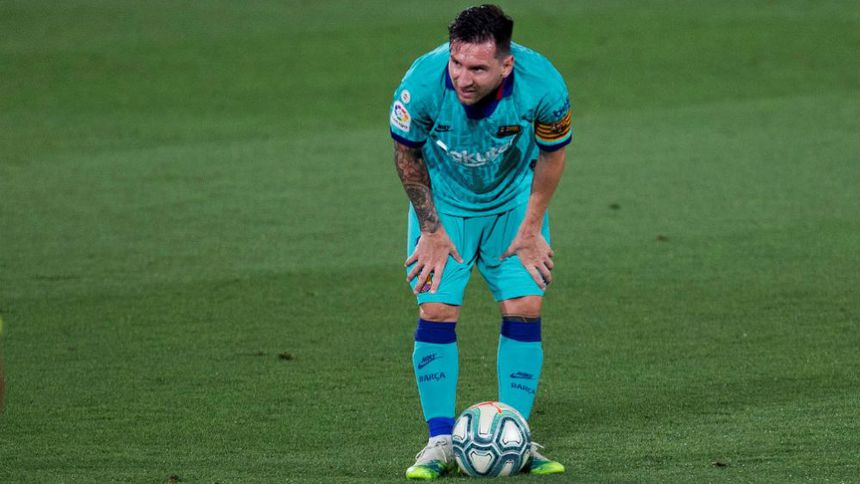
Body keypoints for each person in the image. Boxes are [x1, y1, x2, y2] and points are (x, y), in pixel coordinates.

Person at [389, 4, 572, 479]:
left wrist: (531, 228)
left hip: (511, 203)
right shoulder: (422, 82)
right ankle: (440, 442)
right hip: (445, 205)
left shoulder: (543, 86)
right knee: (436, 309)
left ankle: (517, 437)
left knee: (525, 305)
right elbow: (406, 155)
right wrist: (431, 230)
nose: (462, 78)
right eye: (457, 63)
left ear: (506, 65)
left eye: (477, 69)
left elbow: (553, 156)